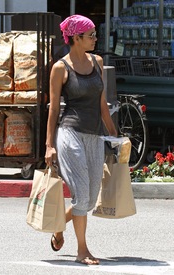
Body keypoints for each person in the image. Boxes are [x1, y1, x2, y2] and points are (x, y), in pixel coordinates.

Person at [45, 14, 117, 265]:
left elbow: (102, 103)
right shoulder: (60, 68)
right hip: (70, 133)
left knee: (89, 196)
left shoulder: (97, 62)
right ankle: (82, 250)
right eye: (91, 35)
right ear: (76, 38)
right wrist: (49, 146)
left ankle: (58, 227)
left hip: (95, 134)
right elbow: (54, 109)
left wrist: (114, 134)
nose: (96, 39)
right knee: (81, 195)